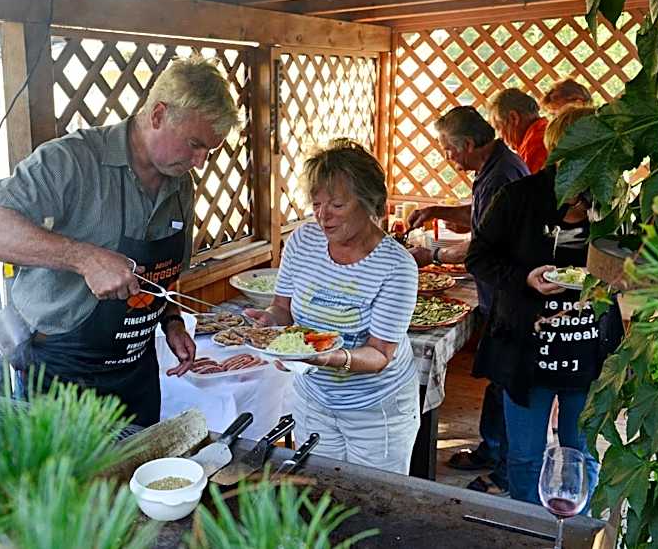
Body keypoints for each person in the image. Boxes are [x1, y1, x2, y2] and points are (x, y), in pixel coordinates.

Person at [0, 56, 241, 426]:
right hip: (62, 374)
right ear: (158, 115)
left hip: (135, 374)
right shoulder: (72, 160)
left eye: (209, 152)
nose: (200, 162)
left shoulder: (179, 182)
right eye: (194, 144)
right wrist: (83, 258)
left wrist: (171, 321)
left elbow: (165, 270)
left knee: (141, 481)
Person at [465, 107, 622, 505]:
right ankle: (528, 533)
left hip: (589, 348)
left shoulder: (614, 202)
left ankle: (575, 529)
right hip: (526, 348)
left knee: (580, 450)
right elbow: (479, 257)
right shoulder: (519, 197)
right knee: (523, 457)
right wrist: (525, 277)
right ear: (561, 150)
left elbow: (629, 263)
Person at [245, 140, 420, 474]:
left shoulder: (396, 266)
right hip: (314, 399)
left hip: (376, 409)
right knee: (320, 489)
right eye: (316, 203)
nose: (323, 216)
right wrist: (267, 321)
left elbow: (380, 354)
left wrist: (328, 358)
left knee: (373, 499)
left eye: (337, 205)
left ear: (369, 203)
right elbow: (283, 309)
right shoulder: (302, 241)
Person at [405, 106, 529, 494]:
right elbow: (478, 216)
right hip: (498, 294)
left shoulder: (503, 176)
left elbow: (483, 244)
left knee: (508, 384)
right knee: (497, 381)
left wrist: (433, 256)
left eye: (448, 149)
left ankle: (504, 474)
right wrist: (436, 211)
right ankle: (490, 452)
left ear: (469, 144)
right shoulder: (494, 168)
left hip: (511, 296)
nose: (447, 157)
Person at [487, 88, 548, 174]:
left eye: (498, 127)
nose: (500, 137)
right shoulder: (548, 131)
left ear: (513, 118)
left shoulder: (534, 147)